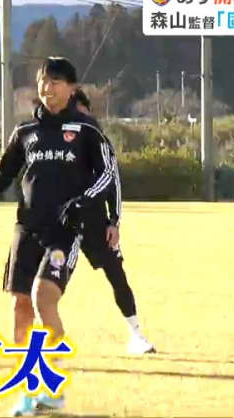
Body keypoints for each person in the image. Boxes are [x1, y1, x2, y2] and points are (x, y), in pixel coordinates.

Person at [0, 57, 115, 416]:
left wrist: (84, 204)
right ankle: (27, 392)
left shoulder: (87, 131)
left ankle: (54, 391)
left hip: (64, 233)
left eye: (55, 81)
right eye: (42, 81)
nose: (47, 88)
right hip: (26, 230)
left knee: (43, 298)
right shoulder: (25, 132)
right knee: (21, 307)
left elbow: (107, 176)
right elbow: (1, 176)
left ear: (71, 87)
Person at [70, 89, 156, 355]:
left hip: (96, 221)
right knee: (51, 279)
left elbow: (113, 181)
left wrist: (114, 221)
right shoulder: (55, 141)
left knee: (117, 276)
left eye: (83, 113)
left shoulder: (100, 141)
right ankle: (39, 339)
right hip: (64, 223)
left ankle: (136, 335)